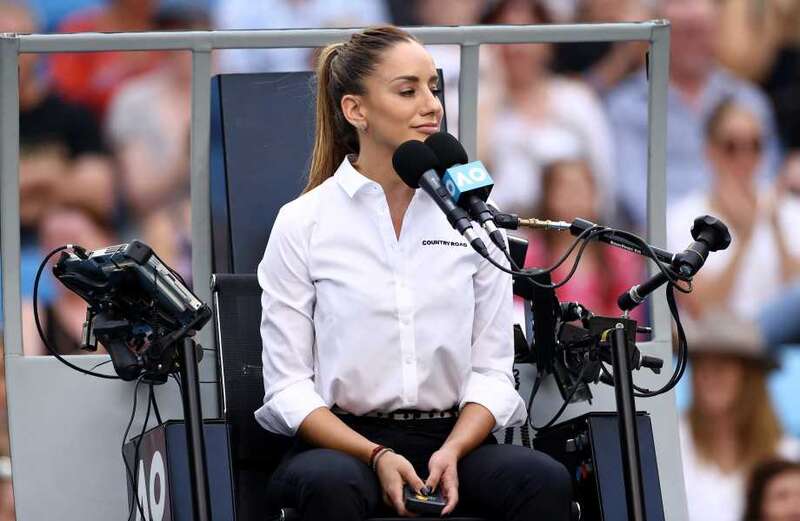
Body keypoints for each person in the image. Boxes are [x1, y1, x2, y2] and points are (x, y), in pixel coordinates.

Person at [256, 26, 572, 520]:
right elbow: (288, 389)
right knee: (330, 484)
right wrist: (376, 455)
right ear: (355, 110)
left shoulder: (474, 219)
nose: (432, 105)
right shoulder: (303, 222)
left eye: (434, 88)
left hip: (453, 437)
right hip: (343, 444)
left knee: (543, 480)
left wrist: (454, 449)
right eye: (408, 91)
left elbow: (492, 372)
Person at [605, 0, 781, 229]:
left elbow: (767, 176)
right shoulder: (627, 105)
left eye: (701, 30)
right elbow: (632, 192)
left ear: (717, 31)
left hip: (744, 234)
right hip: (664, 244)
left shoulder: (749, 99)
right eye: (683, 32)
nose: (693, 42)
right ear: (657, 38)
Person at [667, 99, 800, 320]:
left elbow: (794, 301)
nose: (745, 158)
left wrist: (776, 232)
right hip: (713, 347)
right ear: (710, 150)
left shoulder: (787, 210)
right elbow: (699, 306)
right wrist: (745, 238)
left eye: (755, 145)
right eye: (732, 147)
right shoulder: (682, 217)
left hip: (777, 346)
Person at [679, 312, 800, 521]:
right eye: (700, 364)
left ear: (751, 377)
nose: (708, 375)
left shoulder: (787, 452)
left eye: (723, 365)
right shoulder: (669, 442)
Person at [521, 158, 646, 320]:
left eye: (581, 189)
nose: (573, 198)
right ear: (547, 196)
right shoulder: (530, 253)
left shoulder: (620, 257)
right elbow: (519, 313)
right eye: (564, 189)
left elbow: (629, 319)